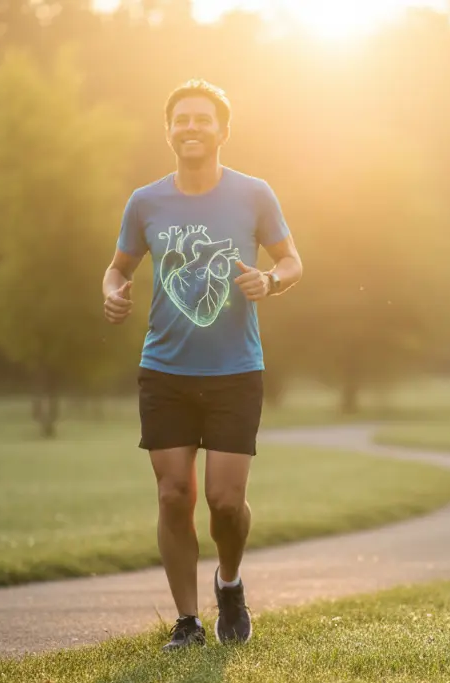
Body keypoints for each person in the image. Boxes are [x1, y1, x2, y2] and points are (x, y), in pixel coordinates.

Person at [102, 79, 302, 651]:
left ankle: (230, 582)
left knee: (224, 502)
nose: (191, 127)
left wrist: (270, 280)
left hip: (236, 371)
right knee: (173, 496)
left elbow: (292, 261)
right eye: (181, 120)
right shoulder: (146, 202)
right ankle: (187, 622)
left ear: (222, 131)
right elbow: (118, 268)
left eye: (202, 119)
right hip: (165, 370)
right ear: (168, 131)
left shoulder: (253, 194)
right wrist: (112, 291)